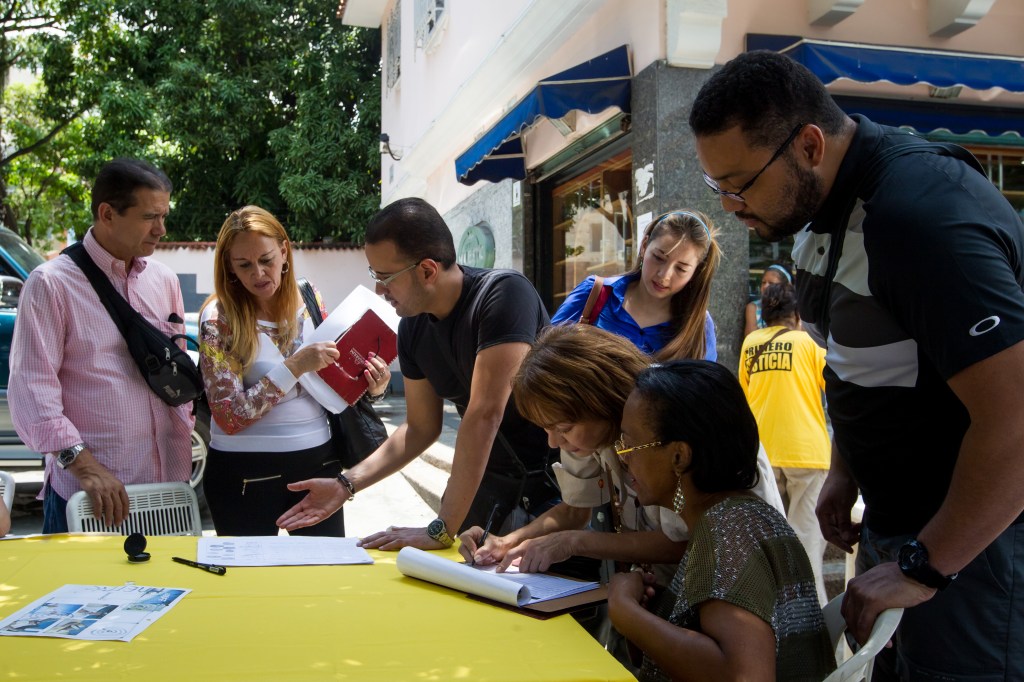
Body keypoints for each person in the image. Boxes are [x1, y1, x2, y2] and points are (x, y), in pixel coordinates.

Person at [690, 49, 1024, 680]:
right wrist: (847, 469)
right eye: (717, 187)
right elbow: (858, 359)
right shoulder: (822, 209)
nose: (730, 206)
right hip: (900, 532)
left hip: (977, 555)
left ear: (809, 145)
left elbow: (1017, 419)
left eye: (739, 183)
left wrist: (926, 567)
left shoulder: (920, 218)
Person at [278, 197, 560, 549]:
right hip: (490, 488)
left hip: (554, 488)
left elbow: (485, 413)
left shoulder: (504, 295)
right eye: (374, 276)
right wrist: (344, 484)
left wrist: (442, 528)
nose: (379, 291)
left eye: (385, 278)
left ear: (427, 270)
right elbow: (420, 427)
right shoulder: (412, 327)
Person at [460, 323, 782, 583]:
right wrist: (508, 542)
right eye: (546, 429)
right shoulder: (591, 429)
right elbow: (575, 509)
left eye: (564, 428)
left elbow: (686, 539)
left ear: (600, 400)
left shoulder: (665, 419)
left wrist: (575, 542)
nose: (553, 443)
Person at [607, 360, 834, 682]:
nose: (623, 456)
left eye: (630, 444)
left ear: (679, 457)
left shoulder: (729, 529)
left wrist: (623, 610)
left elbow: (743, 675)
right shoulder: (736, 516)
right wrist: (658, 614)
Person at [9, 158, 195, 534]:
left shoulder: (163, 279)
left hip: (167, 490)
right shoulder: (51, 284)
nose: (162, 229)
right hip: (94, 496)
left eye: (164, 215)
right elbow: (32, 391)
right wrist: (85, 467)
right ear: (107, 213)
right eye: (150, 217)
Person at [198, 206, 390, 536]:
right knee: (253, 584)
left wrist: (373, 385)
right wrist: (296, 366)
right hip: (245, 474)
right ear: (229, 266)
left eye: (267, 259)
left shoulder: (308, 295)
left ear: (284, 251)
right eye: (244, 265)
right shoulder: (219, 318)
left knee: (322, 577)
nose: (258, 273)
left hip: (318, 463)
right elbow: (228, 416)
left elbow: (331, 377)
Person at [738, 282, 830, 606]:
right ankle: (815, 632)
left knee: (768, 549)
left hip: (763, 453)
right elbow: (834, 387)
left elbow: (744, 398)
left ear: (765, 314)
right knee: (807, 548)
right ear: (797, 315)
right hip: (808, 452)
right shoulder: (809, 344)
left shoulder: (751, 343)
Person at [552, 210, 720, 361]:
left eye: (681, 269)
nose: (665, 275)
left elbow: (704, 391)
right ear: (644, 246)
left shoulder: (699, 324)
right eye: (659, 258)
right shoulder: (594, 292)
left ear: (696, 272)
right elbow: (543, 359)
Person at [743, 263, 792, 337]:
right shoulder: (753, 308)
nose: (765, 286)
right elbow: (750, 338)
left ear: (785, 287)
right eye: (763, 282)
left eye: (771, 283)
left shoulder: (793, 308)